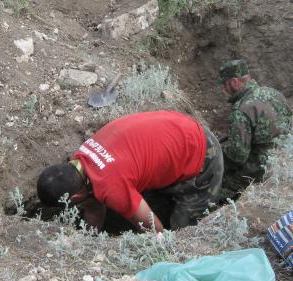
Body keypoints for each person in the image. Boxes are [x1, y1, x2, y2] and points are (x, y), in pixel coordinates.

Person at [37, 111, 223, 232]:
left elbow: (155, 230)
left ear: (75, 198)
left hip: (201, 155)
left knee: (182, 233)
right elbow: (94, 206)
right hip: (176, 128)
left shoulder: (112, 187)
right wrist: (87, 241)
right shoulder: (82, 157)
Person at [217, 59, 292, 200]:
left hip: (258, 170)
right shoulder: (276, 94)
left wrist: (217, 156)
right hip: (284, 160)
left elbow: (237, 156)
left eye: (224, 84)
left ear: (234, 82)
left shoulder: (241, 109)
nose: (224, 89)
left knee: (216, 188)